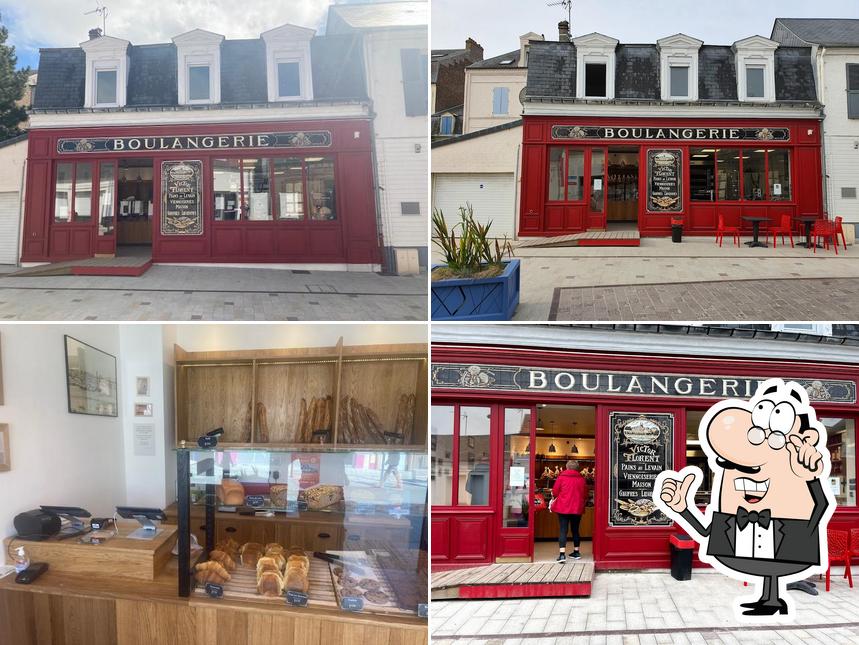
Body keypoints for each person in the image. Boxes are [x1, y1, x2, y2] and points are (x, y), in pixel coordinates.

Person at [551, 459, 587, 563]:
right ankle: (576, 552)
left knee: (563, 530)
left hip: (563, 507)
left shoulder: (561, 477)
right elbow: (585, 494)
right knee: (575, 530)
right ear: (577, 468)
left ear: (567, 467)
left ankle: (562, 555)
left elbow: (555, 492)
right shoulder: (581, 479)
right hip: (577, 508)